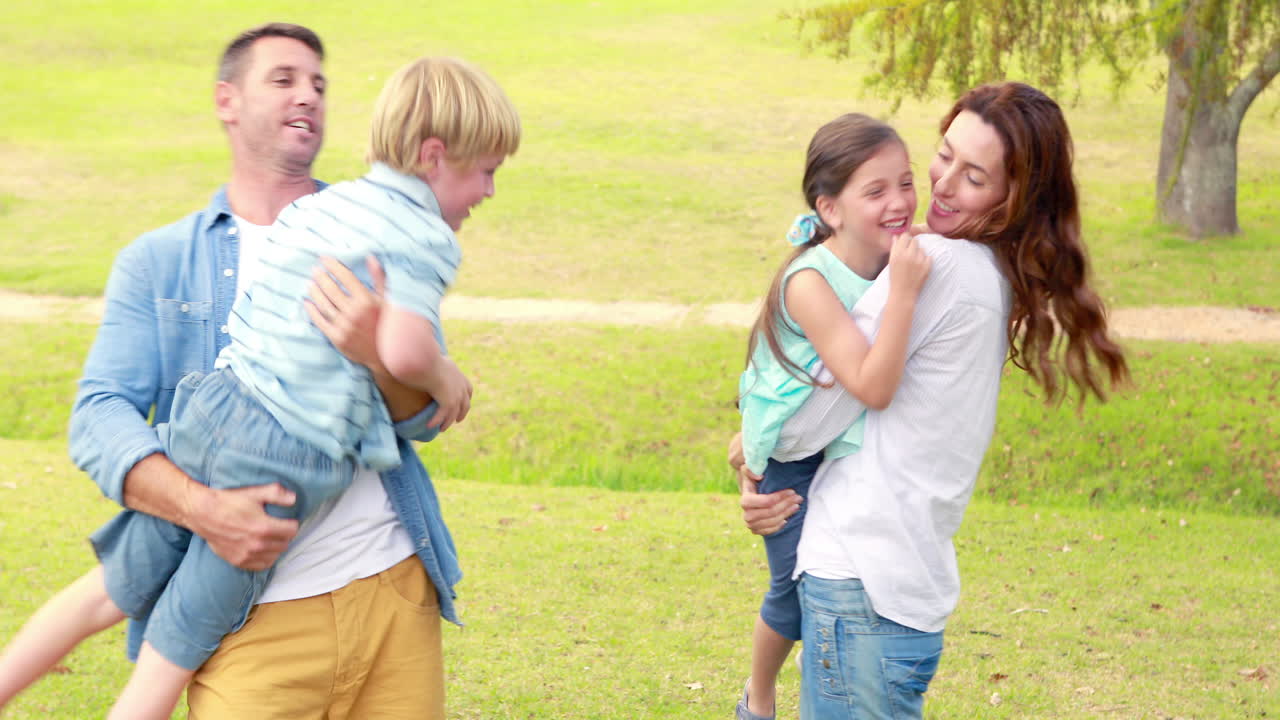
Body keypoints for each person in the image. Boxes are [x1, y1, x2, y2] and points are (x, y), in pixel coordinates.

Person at [0, 25, 486, 720]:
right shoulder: (160, 259)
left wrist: (373, 352)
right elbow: (100, 415)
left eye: (318, 82)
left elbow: (414, 420)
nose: (308, 96)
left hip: (389, 589)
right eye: (283, 79)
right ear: (227, 101)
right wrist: (205, 510)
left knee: (113, 610)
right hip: (257, 623)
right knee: (122, 610)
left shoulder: (357, 228)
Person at [731, 82, 1130, 719]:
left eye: (974, 176)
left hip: (862, 579)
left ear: (1014, 196)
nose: (941, 186)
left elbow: (818, 414)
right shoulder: (990, 272)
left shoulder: (934, 267)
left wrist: (756, 455)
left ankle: (755, 700)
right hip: (903, 586)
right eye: (944, 156)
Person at [734, 113, 931, 720]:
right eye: (876, 191)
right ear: (831, 209)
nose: (899, 201)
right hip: (790, 463)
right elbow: (872, 387)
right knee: (792, 601)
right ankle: (758, 696)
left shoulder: (886, 250)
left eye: (905, 181)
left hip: (830, 448)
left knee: (836, 583)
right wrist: (903, 292)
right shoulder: (811, 283)